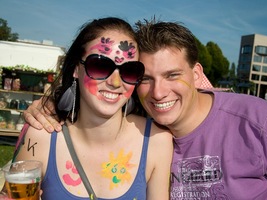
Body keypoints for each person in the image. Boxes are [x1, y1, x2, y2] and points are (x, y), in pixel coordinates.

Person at [24, 18, 267, 199]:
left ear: (196, 74)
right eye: (144, 78)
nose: (158, 92)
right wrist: (48, 106)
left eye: (172, 75)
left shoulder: (259, 121)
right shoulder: (148, 126)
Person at [2, 17, 173, 200]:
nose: (115, 82)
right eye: (100, 66)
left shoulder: (157, 141)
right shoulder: (40, 138)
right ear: (76, 69)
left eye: (129, 70)